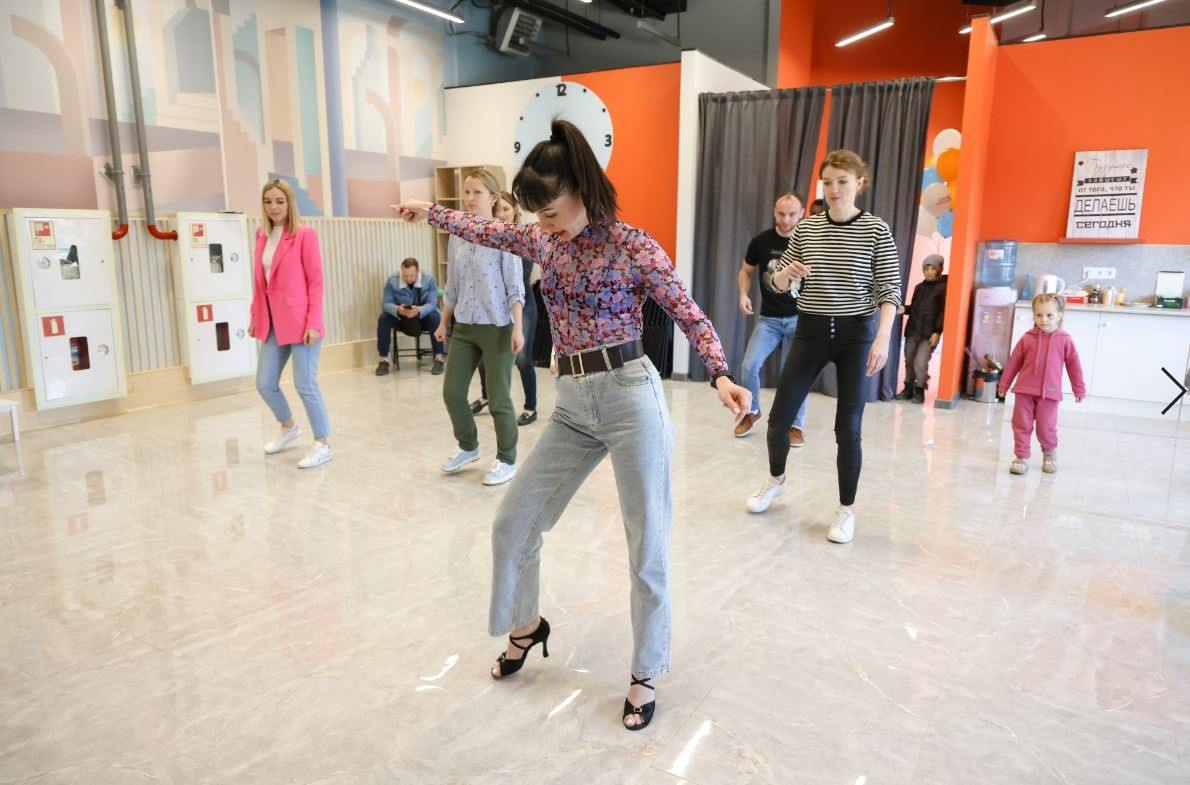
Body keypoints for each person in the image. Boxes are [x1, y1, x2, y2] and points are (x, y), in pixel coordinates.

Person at [392, 120, 750, 732]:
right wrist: (431, 213)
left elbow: (688, 312)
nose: (545, 223)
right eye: (538, 214)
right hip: (573, 404)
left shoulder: (633, 246)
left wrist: (720, 373)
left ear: (582, 189)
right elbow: (488, 228)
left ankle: (645, 671)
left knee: (646, 545)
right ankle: (527, 625)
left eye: (552, 210)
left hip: (630, 398)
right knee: (514, 521)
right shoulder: (546, 241)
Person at [744, 150, 901, 545]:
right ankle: (776, 479)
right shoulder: (808, 229)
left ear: (859, 183)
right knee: (779, 420)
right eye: (827, 182)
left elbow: (890, 289)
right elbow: (777, 282)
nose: (834, 189)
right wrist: (785, 274)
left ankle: (846, 510)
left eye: (842, 181)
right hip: (810, 331)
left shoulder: (876, 230)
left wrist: (882, 338)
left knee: (848, 429)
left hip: (855, 335)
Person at [436, 168, 525, 486]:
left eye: (477, 192)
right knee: (452, 393)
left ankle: (507, 459)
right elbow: (452, 284)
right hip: (464, 325)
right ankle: (468, 446)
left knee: (499, 399)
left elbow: (515, 287)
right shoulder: (457, 235)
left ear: (493, 197)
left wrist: (517, 328)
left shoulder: (505, 235)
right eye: (467, 192)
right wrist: (444, 321)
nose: (470, 198)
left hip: (498, 326)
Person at [249, 178, 332, 469]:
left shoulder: (304, 235)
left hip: (301, 322)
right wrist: (255, 316)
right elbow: (260, 283)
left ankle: (322, 444)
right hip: (272, 320)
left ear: (289, 203)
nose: (274, 207)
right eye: (268, 201)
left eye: (279, 201)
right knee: (264, 383)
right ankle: (289, 427)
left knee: (305, 384)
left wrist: (313, 323)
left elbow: (315, 282)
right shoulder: (261, 234)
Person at [735, 191, 810, 445]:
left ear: (802, 213)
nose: (786, 219)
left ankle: (795, 425)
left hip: (800, 318)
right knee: (749, 366)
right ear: (773, 212)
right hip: (769, 319)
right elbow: (745, 271)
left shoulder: (809, 243)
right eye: (781, 213)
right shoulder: (761, 241)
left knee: (798, 372)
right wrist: (743, 294)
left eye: (792, 214)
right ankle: (752, 411)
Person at [470, 191, 541, 425]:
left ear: (515, 211)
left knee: (523, 359)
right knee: (483, 356)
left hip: (523, 305)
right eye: (497, 209)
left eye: (506, 209)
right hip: (494, 307)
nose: (501, 214)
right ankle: (486, 396)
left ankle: (530, 407)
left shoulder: (523, 237)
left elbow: (520, 277)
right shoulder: (488, 237)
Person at [997, 294, 1085, 475]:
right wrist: (1003, 385)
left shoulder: (1065, 340)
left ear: (1059, 315)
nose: (1043, 320)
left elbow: (1074, 366)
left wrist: (1079, 389)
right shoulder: (1027, 338)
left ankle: (1049, 454)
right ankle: (1021, 457)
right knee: (1021, 424)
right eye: (1039, 315)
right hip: (1024, 390)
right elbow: (1013, 363)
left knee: (1046, 427)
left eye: (1049, 315)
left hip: (1050, 393)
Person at [375, 257, 445, 376]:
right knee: (383, 318)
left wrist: (419, 310)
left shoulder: (429, 279)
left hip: (423, 316)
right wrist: (398, 310)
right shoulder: (392, 280)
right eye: (405, 275)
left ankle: (439, 359)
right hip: (402, 316)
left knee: (435, 317)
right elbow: (386, 303)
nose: (408, 279)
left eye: (411, 275)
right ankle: (383, 360)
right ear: (401, 271)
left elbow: (432, 303)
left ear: (418, 271)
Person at [898, 254, 948, 403]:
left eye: (933, 268)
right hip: (913, 330)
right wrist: (904, 309)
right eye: (926, 269)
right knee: (909, 361)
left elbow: (943, 312)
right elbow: (914, 308)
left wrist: (937, 331)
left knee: (920, 363)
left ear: (939, 269)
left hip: (929, 333)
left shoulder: (944, 287)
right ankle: (908, 389)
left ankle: (919, 391)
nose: (929, 272)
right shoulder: (919, 287)